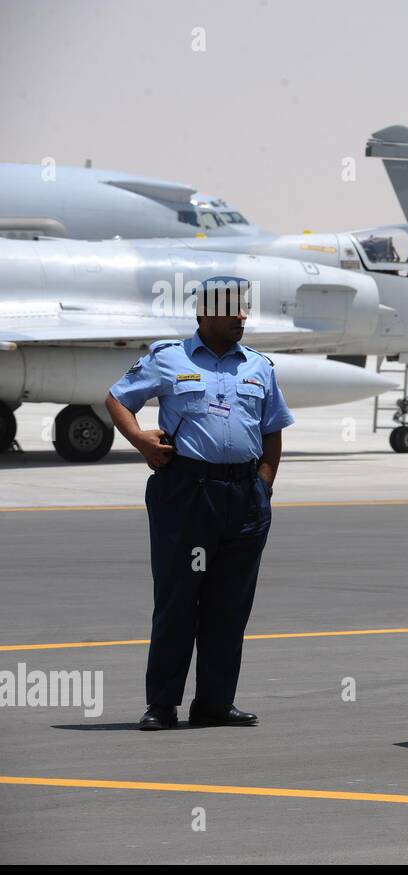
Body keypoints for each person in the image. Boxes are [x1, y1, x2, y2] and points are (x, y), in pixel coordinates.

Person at [104, 275, 293, 731]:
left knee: (229, 605)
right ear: (205, 314)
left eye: (244, 308)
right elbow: (117, 398)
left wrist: (263, 488)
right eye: (232, 310)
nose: (242, 317)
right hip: (187, 494)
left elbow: (272, 430)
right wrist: (140, 441)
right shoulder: (168, 358)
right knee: (178, 599)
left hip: (243, 497)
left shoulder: (259, 367)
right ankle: (162, 704)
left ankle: (213, 703)